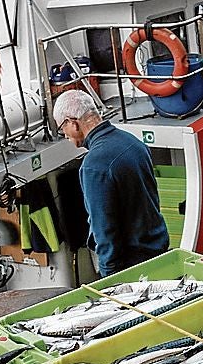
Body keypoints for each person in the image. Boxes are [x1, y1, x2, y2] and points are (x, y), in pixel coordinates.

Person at [52, 89, 170, 276]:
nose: (65, 136)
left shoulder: (94, 166)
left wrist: (109, 277)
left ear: (72, 123)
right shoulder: (133, 142)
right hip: (159, 249)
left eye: (61, 129)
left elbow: (104, 228)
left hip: (131, 265)